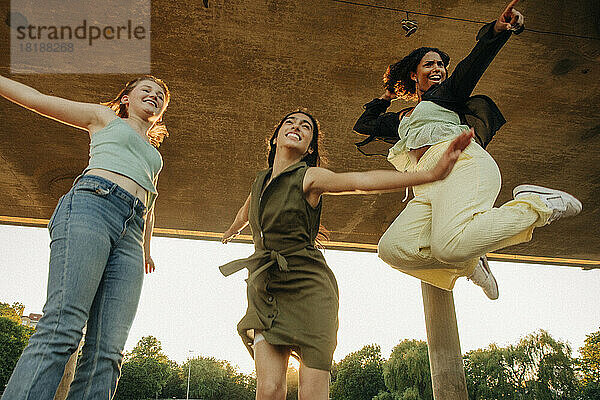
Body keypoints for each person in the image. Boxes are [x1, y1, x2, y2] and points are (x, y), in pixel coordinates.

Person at [219, 110, 473, 400]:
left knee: (311, 394)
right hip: (265, 290)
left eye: (306, 127)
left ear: (310, 147)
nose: (296, 127)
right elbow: (246, 209)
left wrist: (428, 174)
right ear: (275, 138)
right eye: (289, 122)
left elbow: (359, 181)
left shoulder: (310, 177)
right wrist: (233, 229)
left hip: (310, 291)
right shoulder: (260, 181)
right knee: (268, 390)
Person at [353, 0, 581, 300]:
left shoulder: (446, 96)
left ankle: (539, 205)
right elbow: (364, 124)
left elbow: (473, 64)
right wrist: (386, 95)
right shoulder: (401, 120)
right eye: (429, 64)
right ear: (413, 73)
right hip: (425, 183)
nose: (439, 69)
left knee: (448, 246)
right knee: (393, 249)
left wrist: (498, 30)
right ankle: (473, 265)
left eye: (441, 64)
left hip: (463, 165)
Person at [0, 74, 170, 399]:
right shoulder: (104, 118)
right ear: (125, 99)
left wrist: (147, 249)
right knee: (64, 326)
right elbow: (36, 98)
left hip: (132, 232)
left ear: (161, 112)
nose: (155, 95)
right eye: (146, 89)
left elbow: (151, 203)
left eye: (161, 94)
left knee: (108, 350)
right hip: (94, 205)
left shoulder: (153, 155)